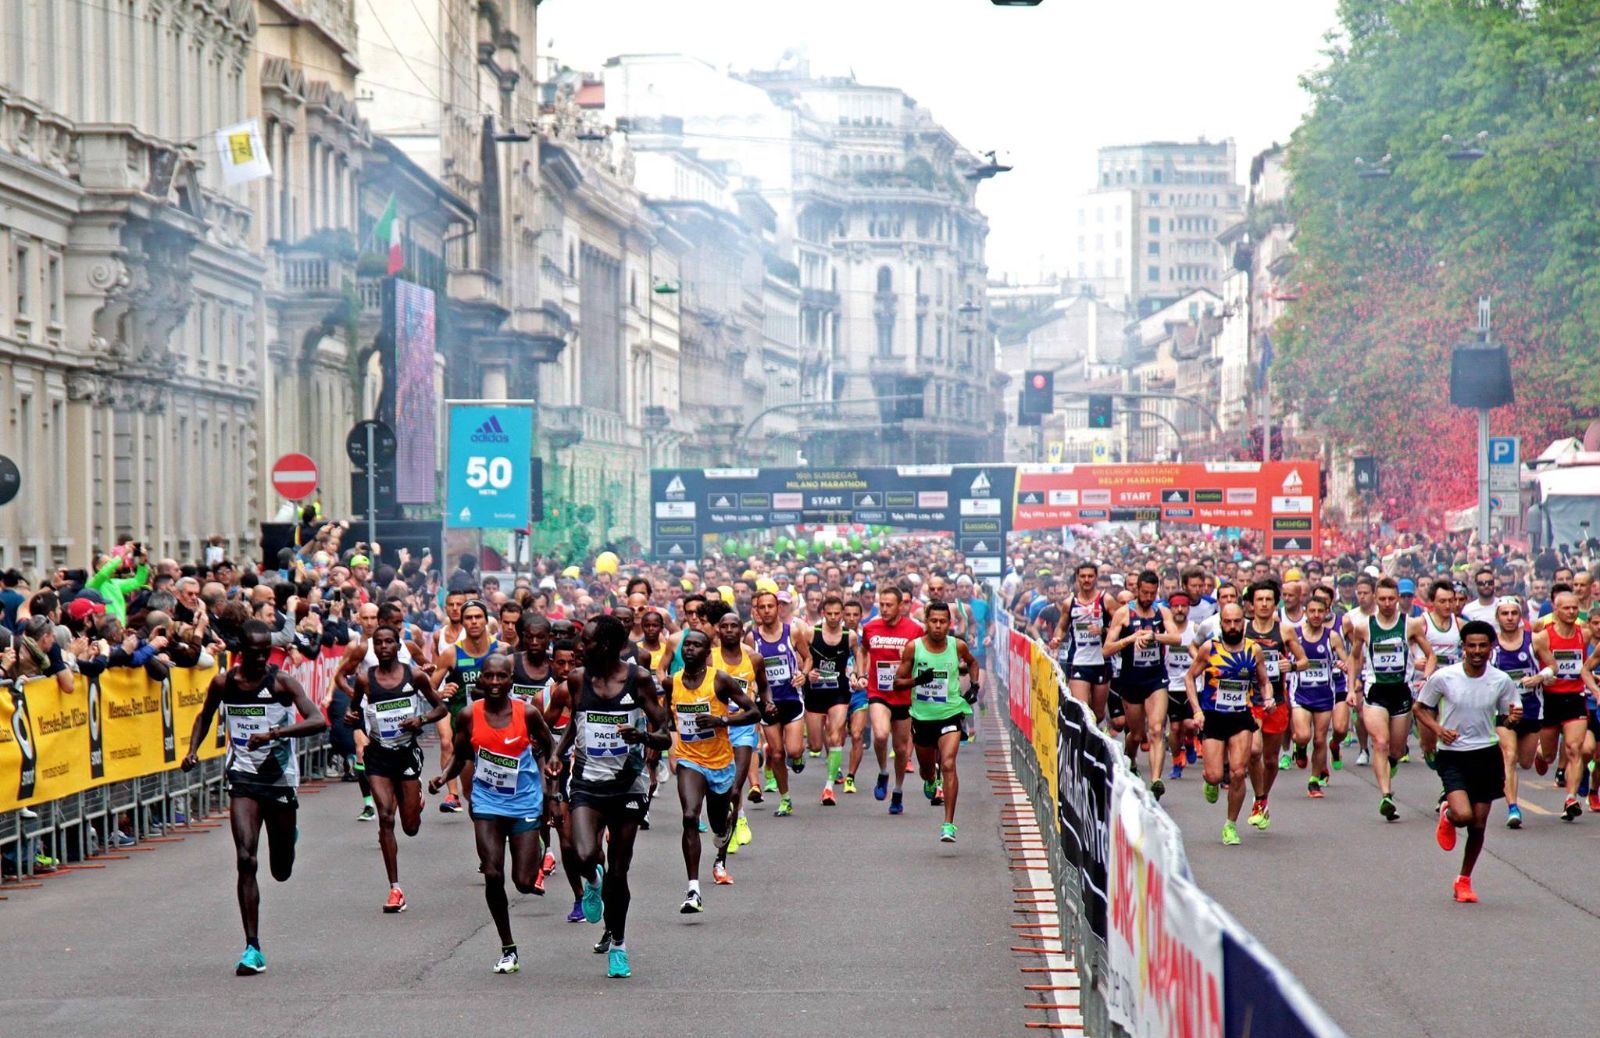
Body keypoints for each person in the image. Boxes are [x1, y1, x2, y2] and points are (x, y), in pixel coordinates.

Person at [181, 620, 327, 975]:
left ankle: (288, 839)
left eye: (267, 652)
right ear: (240, 652)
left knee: (280, 870)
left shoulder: (281, 682)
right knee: (246, 858)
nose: (262, 658)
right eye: (255, 653)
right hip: (243, 778)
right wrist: (192, 750)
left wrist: (275, 732)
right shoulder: (223, 682)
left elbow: (317, 720)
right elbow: (205, 716)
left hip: (278, 780)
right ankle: (252, 948)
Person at [555, 615, 673, 979]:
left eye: (585, 642)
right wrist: (556, 756)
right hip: (588, 781)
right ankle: (592, 882)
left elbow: (664, 734)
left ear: (605, 646)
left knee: (619, 872)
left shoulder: (636, 679)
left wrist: (643, 738)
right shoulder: (577, 680)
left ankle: (619, 946)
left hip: (628, 783)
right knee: (583, 853)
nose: (578, 648)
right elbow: (576, 724)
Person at [429, 655, 554, 973]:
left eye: (502, 677)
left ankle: (536, 849)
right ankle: (508, 947)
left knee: (524, 883)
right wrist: (444, 777)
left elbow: (550, 745)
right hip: (486, 802)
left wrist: (551, 773)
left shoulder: (527, 713)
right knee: (493, 872)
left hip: (525, 801)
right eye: (490, 677)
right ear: (481, 681)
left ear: (511, 680)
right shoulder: (470, 715)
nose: (495, 683)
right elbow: (460, 754)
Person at [1414, 621, 1522, 903]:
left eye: (1482, 646)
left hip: (1486, 754)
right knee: (1464, 816)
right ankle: (1448, 813)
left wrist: (1512, 719)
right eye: (1471, 645)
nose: (1477, 651)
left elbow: (1503, 717)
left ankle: (1464, 879)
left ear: (1491, 647)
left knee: (1478, 824)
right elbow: (1420, 708)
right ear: (1463, 647)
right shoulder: (1444, 677)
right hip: (1453, 755)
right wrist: (1438, 730)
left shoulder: (1501, 680)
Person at [346, 624, 448, 913]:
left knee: (411, 827)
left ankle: (414, 801)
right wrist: (350, 718)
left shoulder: (413, 675)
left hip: (406, 755)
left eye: (389, 642)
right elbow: (354, 713)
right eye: (378, 643)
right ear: (373, 647)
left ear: (397, 644)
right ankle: (395, 889)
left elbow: (441, 708)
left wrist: (422, 720)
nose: (383, 647)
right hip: (377, 755)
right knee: (386, 817)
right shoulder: (365, 680)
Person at [665, 629, 758, 906]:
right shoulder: (673, 682)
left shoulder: (719, 679)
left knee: (718, 824)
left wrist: (722, 722)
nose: (690, 649)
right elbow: (668, 721)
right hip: (689, 759)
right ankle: (693, 889)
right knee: (690, 816)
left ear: (707, 654)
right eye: (687, 645)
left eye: (697, 646)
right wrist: (666, 745)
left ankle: (721, 847)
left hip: (719, 762)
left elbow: (754, 711)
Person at [1346, 576, 1435, 821]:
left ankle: (1392, 761)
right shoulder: (1365, 626)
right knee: (1381, 742)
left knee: (1395, 749)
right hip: (1376, 692)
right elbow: (1354, 657)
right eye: (1382, 598)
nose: (1386, 603)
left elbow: (1431, 655)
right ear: (1375, 599)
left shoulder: (1411, 624)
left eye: (1391, 599)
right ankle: (1386, 795)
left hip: (1401, 691)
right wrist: (1351, 688)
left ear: (1398, 600)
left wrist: (1426, 678)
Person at [1183, 603, 1271, 846]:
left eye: (1237, 622)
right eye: (1228, 622)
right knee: (1214, 775)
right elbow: (1190, 677)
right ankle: (1210, 782)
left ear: (1244, 622)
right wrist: (1197, 710)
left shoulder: (1254, 650)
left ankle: (1230, 825)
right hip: (1214, 717)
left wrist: (1268, 698)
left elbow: (1264, 681)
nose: (1233, 626)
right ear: (1221, 623)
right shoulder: (1209, 648)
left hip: (1240, 717)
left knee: (1238, 772)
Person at [894, 600, 980, 841]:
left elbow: (973, 663)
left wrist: (974, 684)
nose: (938, 626)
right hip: (922, 717)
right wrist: (917, 681)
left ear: (949, 624)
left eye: (943, 622)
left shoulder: (957, 646)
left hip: (950, 713)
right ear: (926, 622)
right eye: (934, 621)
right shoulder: (914, 648)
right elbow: (897, 682)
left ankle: (948, 824)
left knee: (949, 763)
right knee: (926, 771)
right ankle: (931, 780)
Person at [1101, 570, 1182, 799]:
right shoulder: (1123, 614)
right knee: (1136, 734)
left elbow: (1176, 638)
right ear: (1137, 590)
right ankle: (1131, 761)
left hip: (1156, 679)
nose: (1148, 597)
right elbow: (1106, 649)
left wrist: (1154, 636)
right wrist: (1130, 639)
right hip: (1131, 680)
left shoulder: (1161, 611)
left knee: (1156, 729)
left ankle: (1156, 781)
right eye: (1144, 593)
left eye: (1152, 593)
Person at [1243, 580, 1309, 830]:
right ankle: (1259, 799)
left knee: (1270, 760)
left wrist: (1290, 666)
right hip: (1250, 700)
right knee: (1253, 751)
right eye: (1259, 599)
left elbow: (1304, 661)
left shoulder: (1285, 632)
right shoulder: (1244, 630)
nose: (1263, 604)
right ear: (1251, 603)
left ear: (1275, 603)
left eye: (1268, 600)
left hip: (1277, 703)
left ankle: (1262, 798)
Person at [705, 600, 770, 851]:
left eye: (735, 626)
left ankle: (736, 824)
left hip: (743, 727)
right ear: (718, 631)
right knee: (721, 786)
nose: (730, 630)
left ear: (742, 631)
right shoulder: (709, 659)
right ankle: (737, 816)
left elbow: (764, 686)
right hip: (718, 729)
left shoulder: (753, 659)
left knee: (735, 785)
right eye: (725, 626)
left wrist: (768, 703)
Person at [429, 598, 501, 812]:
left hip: (498, 725)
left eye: (478, 617)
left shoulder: (502, 650)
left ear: (486, 621)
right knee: (470, 791)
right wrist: (441, 693)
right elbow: (429, 688)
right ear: (463, 622)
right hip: (467, 730)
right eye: (468, 618)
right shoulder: (452, 653)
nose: (474, 622)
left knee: (501, 783)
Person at [859, 585, 924, 814]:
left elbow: (923, 659)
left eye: (889, 605)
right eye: (882, 604)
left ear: (900, 606)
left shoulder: (915, 630)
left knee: (901, 747)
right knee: (880, 734)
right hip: (879, 691)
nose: (884, 609)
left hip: (904, 695)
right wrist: (861, 673)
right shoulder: (870, 627)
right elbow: (863, 650)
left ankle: (897, 790)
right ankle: (883, 772)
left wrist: (907, 660)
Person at [751, 590, 812, 816]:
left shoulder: (792, 632)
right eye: (762, 607)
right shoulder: (752, 638)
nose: (766, 611)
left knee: (794, 750)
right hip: (768, 703)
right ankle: (785, 799)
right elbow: (749, 671)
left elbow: (808, 657)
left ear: (778, 609)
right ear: (757, 610)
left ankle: (797, 757)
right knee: (776, 753)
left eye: (770, 606)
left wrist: (803, 674)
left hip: (791, 699)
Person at [1533, 588, 1587, 820]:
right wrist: (1544, 674)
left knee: (1574, 748)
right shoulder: (1544, 636)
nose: (1571, 611)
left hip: (1575, 697)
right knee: (1548, 756)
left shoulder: (1583, 633)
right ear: (1555, 610)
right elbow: (1535, 663)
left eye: (1575, 607)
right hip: (1550, 698)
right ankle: (1538, 752)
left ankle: (1571, 798)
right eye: (1566, 608)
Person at [1491, 597, 1543, 828]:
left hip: (1530, 708)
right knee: (1509, 756)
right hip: (1503, 712)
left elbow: (1552, 665)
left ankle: (1543, 752)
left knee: (1525, 761)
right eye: (1505, 614)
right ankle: (1513, 807)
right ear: (1498, 617)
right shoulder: (1491, 646)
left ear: (1520, 616)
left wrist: (1540, 677)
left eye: (1514, 613)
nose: (1510, 618)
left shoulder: (1533, 641)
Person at [804, 594, 860, 805]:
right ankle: (799, 755)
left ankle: (828, 787)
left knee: (836, 736)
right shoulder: (811, 633)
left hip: (839, 691)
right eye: (830, 614)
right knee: (816, 745)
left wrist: (859, 674)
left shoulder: (850, 635)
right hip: (815, 692)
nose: (835, 618)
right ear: (823, 613)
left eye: (838, 614)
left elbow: (859, 654)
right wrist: (806, 673)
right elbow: (804, 657)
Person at [1053, 562, 1112, 721]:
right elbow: (1061, 627)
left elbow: (1120, 627)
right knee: (1083, 713)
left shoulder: (1105, 600)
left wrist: (1103, 631)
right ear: (1077, 579)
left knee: (1098, 715)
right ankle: (1086, 745)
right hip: (1079, 661)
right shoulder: (1069, 603)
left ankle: (1100, 736)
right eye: (1083, 576)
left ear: (1096, 578)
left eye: (1090, 576)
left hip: (1101, 662)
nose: (1087, 580)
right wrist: (1057, 638)